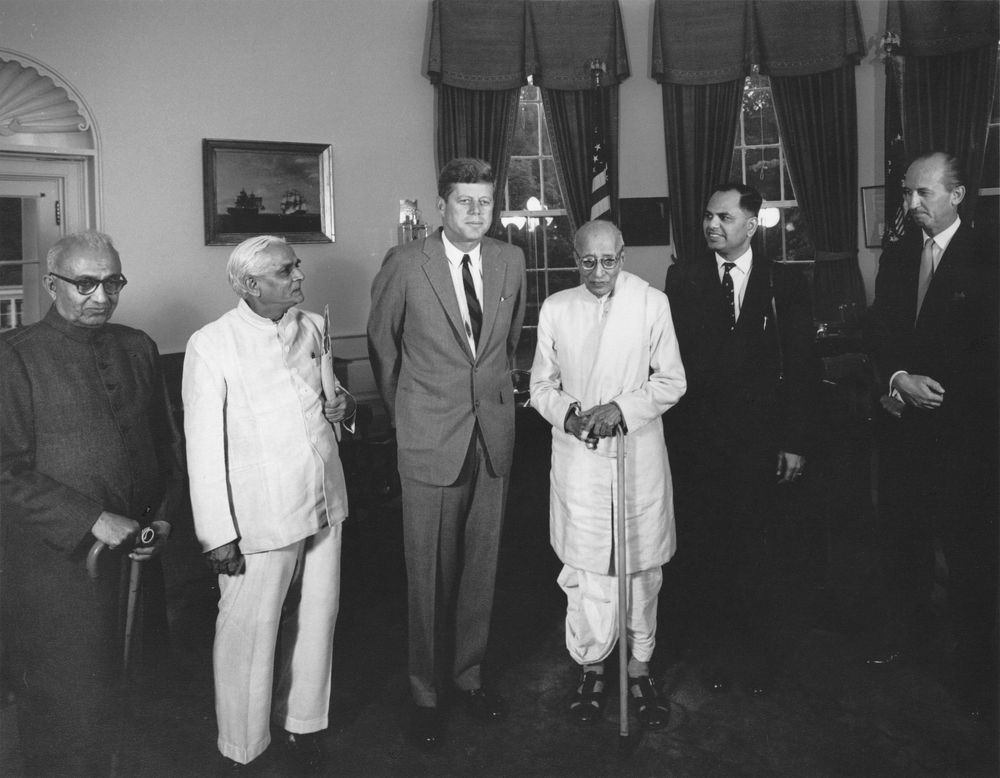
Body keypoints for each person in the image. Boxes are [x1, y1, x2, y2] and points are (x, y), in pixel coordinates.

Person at [1, 231, 181, 775]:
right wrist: (90, 519)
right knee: (64, 707)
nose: (100, 296)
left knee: (133, 695)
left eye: (112, 282)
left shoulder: (138, 346)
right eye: (85, 284)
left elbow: (168, 446)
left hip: (136, 560)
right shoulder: (14, 356)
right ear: (53, 284)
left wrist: (164, 520)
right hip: (54, 572)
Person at [367, 158, 526, 748]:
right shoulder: (406, 264)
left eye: (485, 202)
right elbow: (384, 351)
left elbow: (504, 346)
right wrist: (412, 418)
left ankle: (469, 675)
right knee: (428, 574)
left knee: (480, 571)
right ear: (442, 207)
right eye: (465, 202)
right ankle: (425, 691)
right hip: (430, 441)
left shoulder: (510, 261)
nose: (477, 212)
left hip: (494, 439)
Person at [183, 235, 355, 769]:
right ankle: (244, 743)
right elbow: (203, 447)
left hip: (324, 497)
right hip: (258, 513)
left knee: (317, 615)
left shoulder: (315, 327)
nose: (300, 276)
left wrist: (342, 409)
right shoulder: (212, 344)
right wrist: (217, 534)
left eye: (297, 266)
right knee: (248, 632)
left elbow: (331, 411)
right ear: (251, 284)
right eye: (286, 271)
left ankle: (303, 722)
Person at [664, 183, 819, 695]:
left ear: (752, 224)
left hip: (760, 443)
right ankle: (709, 649)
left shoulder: (785, 282)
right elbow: (668, 362)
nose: (712, 225)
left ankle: (758, 655)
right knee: (704, 547)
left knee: (757, 550)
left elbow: (801, 367)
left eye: (725, 218)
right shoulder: (682, 277)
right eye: (708, 216)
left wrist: (795, 440)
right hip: (698, 442)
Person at [530, 220, 686, 728]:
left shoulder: (651, 303)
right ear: (575, 258)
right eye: (587, 261)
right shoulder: (557, 308)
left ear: (623, 255)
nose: (599, 272)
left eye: (609, 260)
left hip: (636, 452)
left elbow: (671, 381)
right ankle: (592, 665)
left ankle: (640, 666)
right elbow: (540, 386)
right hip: (579, 460)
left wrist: (621, 407)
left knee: (641, 565)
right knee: (586, 565)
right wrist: (571, 414)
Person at [866, 152, 998, 720]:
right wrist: (899, 378)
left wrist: (940, 395)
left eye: (923, 193)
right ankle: (910, 641)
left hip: (970, 441)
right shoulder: (898, 258)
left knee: (972, 559)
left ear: (958, 195)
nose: (911, 204)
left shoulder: (989, 254)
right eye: (905, 194)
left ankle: (977, 669)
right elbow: (879, 333)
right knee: (904, 545)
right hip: (905, 439)